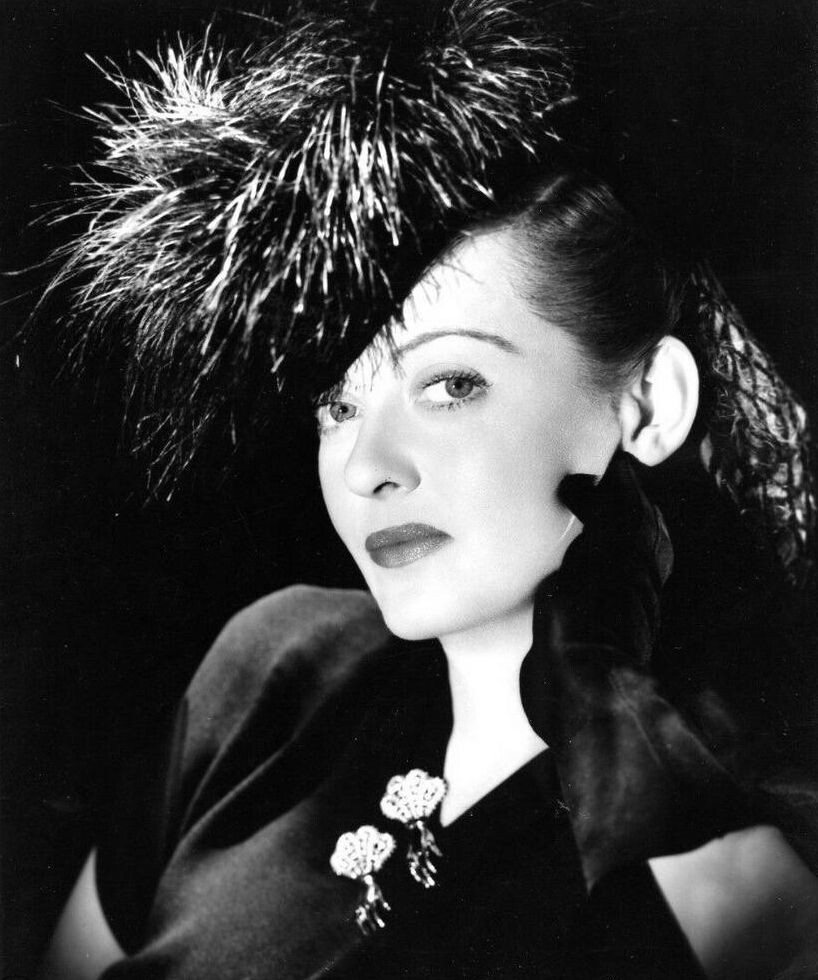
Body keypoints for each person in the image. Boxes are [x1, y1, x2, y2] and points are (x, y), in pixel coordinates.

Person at [35, 2, 818, 977]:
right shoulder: (276, 672)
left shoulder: (731, 861)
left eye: (450, 384)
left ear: (649, 404)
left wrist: (622, 740)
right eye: (336, 403)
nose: (368, 464)